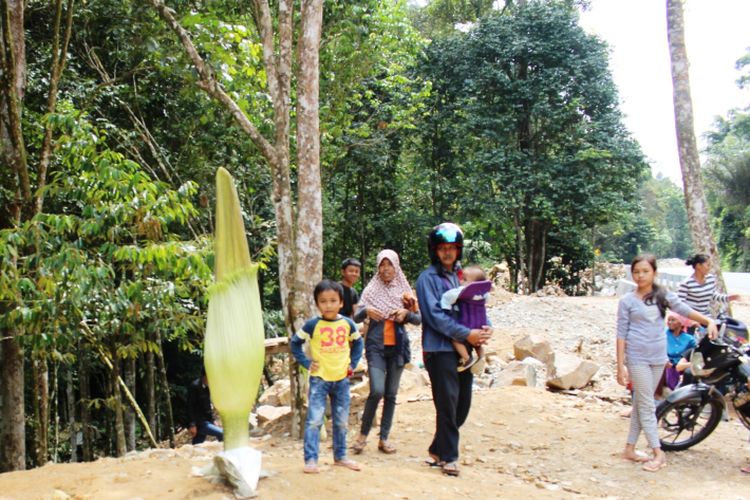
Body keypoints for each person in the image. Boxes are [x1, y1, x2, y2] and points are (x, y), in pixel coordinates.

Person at [616, 254, 717, 472]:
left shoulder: (663, 295)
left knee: (641, 404)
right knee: (647, 404)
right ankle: (658, 453)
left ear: (654, 273)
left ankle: (629, 449)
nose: (640, 276)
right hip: (637, 358)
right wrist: (619, 366)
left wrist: (707, 320)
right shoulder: (627, 301)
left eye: (645, 271)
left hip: (658, 357)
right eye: (636, 272)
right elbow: (621, 334)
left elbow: (683, 309)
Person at [415, 222, 492, 477]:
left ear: (459, 250)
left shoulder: (462, 276)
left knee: (462, 404)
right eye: (442, 248)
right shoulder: (427, 279)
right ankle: (449, 457)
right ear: (434, 250)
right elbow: (435, 317)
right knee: (447, 403)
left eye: (452, 248)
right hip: (438, 349)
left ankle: (437, 448)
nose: (447, 253)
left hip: (464, 349)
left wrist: (484, 329)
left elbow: (477, 305)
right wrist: (465, 334)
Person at [350, 249, 421, 455]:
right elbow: (356, 316)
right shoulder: (371, 290)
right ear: (378, 267)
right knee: (377, 390)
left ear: (396, 266)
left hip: (398, 346)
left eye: (390, 264)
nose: (386, 268)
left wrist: (406, 313)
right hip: (375, 345)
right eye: (382, 264)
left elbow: (418, 319)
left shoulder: (405, 292)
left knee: (391, 394)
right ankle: (362, 435)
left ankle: (384, 438)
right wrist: (367, 311)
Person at [290, 279, 364, 474]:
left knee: (340, 420)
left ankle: (340, 457)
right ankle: (311, 460)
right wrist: (306, 362)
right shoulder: (312, 325)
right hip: (319, 379)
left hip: (342, 379)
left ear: (341, 302)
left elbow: (358, 343)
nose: (328, 305)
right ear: (317, 304)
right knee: (314, 420)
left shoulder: (348, 323)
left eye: (333, 300)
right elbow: (294, 343)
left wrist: (353, 364)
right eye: (323, 301)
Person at [440, 265, 491, 373]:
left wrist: (445, 307)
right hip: (481, 323)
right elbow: (486, 301)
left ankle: (467, 359)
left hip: (467, 323)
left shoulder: (463, 291)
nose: (461, 281)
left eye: (464, 279)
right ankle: (481, 356)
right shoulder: (484, 294)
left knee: (455, 339)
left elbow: (447, 297)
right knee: (477, 343)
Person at [678, 253, 740, 319]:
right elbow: (680, 304)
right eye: (708, 265)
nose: (709, 268)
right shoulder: (686, 283)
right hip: (691, 319)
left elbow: (713, 295)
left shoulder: (710, 279)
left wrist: (729, 298)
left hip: (706, 317)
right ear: (698, 266)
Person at [187, 367, 224, 445]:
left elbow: (207, 406)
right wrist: (192, 425)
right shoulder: (195, 386)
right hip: (199, 423)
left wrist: (212, 420)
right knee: (222, 434)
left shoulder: (207, 387)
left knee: (197, 447)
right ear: (206, 375)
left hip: (206, 421)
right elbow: (190, 406)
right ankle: (224, 455)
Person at [663, 312, 697, 390]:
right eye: (669, 320)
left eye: (673, 320)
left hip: (682, 369)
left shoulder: (689, 339)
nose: (670, 322)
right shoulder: (664, 334)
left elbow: (693, 354)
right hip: (666, 367)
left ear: (681, 322)